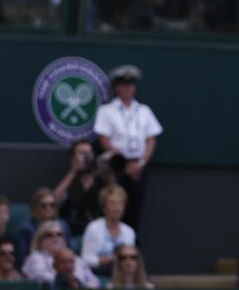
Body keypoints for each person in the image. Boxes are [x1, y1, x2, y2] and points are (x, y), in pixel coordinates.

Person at [93, 65, 163, 231]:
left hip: (138, 166)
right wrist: (124, 163)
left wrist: (141, 163)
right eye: (124, 85)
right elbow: (104, 140)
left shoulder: (144, 110)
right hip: (117, 166)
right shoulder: (107, 111)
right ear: (117, 87)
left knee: (135, 209)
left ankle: (132, 247)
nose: (128, 89)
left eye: (131, 85)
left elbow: (151, 140)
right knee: (115, 205)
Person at [22, 219, 98, 286]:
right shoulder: (35, 258)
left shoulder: (75, 258)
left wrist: (85, 286)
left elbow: (94, 281)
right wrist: (67, 281)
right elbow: (41, 279)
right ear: (40, 240)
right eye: (49, 235)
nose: (56, 239)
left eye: (59, 234)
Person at [53, 139, 104, 238]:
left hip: (97, 232)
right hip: (72, 233)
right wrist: (74, 170)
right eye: (82, 153)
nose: (86, 157)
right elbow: (55, 201)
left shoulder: (100, 180)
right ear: (73, 157)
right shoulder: (69, 180)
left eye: (88, 153)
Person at [81, 185, 135, 275]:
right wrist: (108, 260)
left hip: (122, 276)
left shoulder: (129, 232)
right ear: (104, 207)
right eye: (112, 203)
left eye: (120, 203)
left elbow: (131, 259)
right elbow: (85, 260)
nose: (117, 207)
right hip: (97, 275)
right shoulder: (93, 228)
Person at [16, 187, 72, 265]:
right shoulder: (26, 229)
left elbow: (68, 250)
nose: (48, 208)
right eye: (43, 205)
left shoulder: (63, 225)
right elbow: (22, 259)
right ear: (35, 208)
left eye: (52, 205)